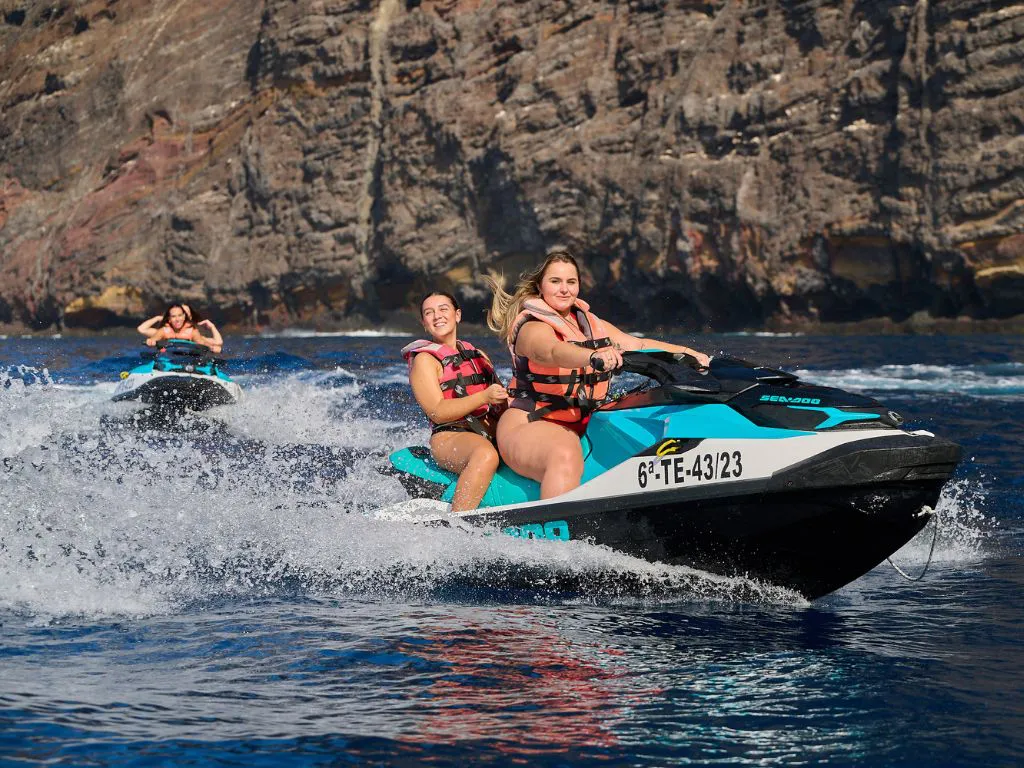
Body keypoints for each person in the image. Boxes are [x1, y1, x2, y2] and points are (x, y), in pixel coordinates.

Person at [485, 247, 711, 499]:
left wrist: (688, 353)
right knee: (564, 452)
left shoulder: (591, 325)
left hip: (583, 421)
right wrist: (592, 357)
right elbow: (550, 351)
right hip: (528, 423)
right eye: (555, 281)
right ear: (540, 287)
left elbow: (638, 344)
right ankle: (556, 522)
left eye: (571, 282)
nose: (564, 289)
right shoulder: (532, 328)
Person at [402, 291, 509, 512]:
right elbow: (437, 411)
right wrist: (484, 397)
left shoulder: (478, 355)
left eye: (443, 309)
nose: (437, 316)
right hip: (450, 437)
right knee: (485, 455)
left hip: (490, 432)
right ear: (424, 323)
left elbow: (501, 402)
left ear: (457, 315)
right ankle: (458, 521)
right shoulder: (425, 361)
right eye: (429, 313)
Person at [136, 304, 224, 354]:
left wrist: (212, 347)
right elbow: (151, 337)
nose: (177, 319)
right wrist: (150, 341)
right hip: (166, 360)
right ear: (169, 319)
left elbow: (204, 343)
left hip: (188, 360)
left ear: (184, 316)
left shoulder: (193, 332)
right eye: (174, 316)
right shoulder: (164, 331)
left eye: (180, 315)